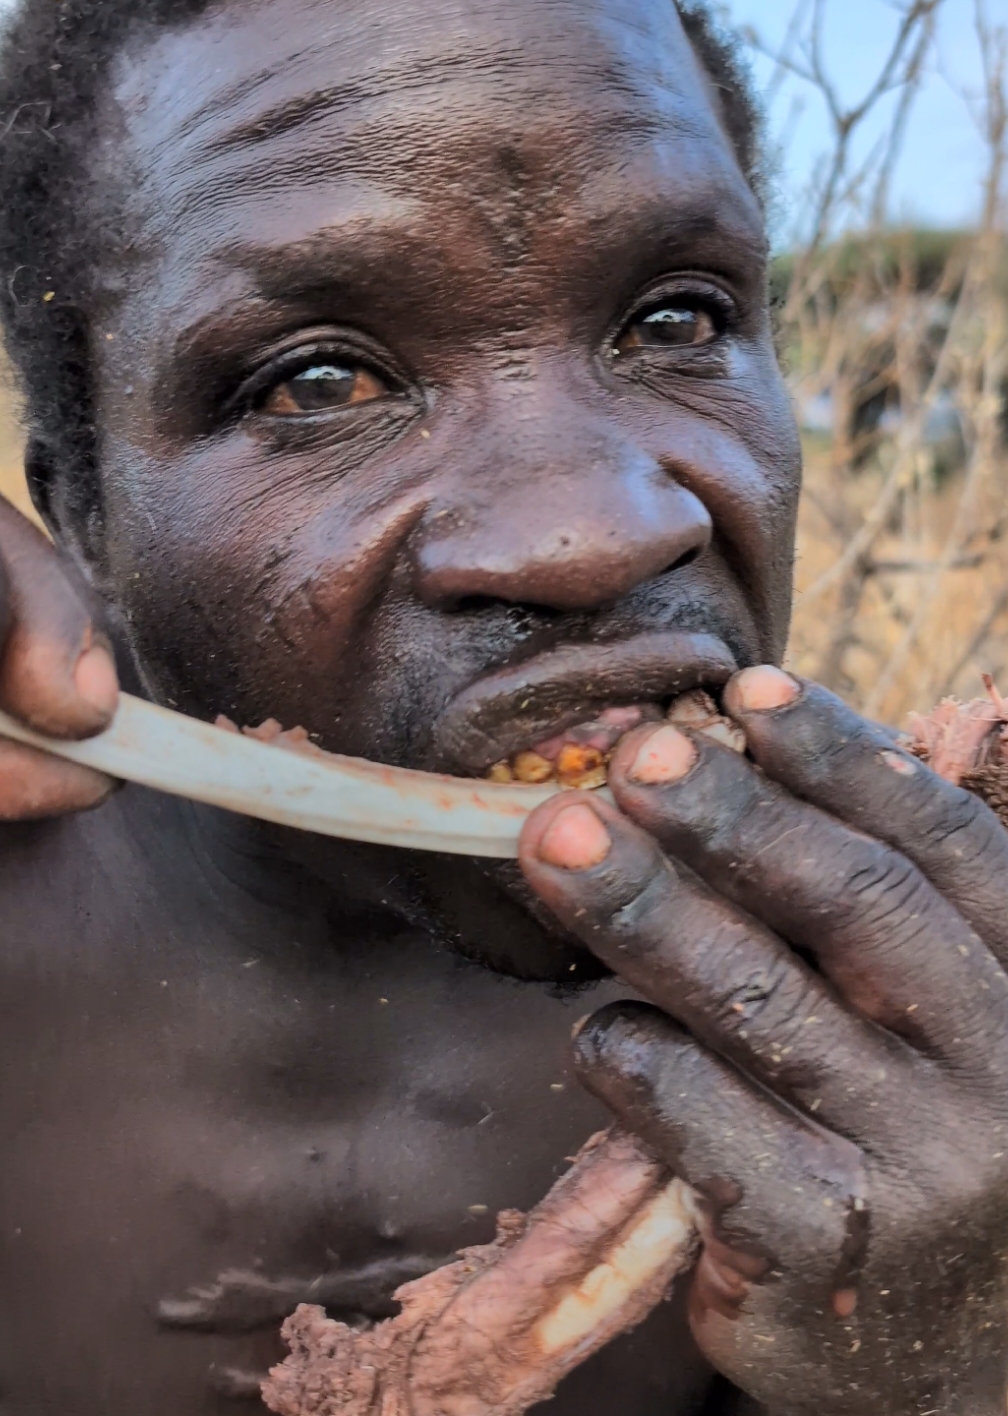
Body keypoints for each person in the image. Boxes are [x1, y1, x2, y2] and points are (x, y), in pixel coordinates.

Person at [0, 0, 1006, 1411]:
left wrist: (953, 1372)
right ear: (85, 519)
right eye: (321, 381)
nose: (596, 529)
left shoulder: (943, 1023)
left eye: (677, 319)